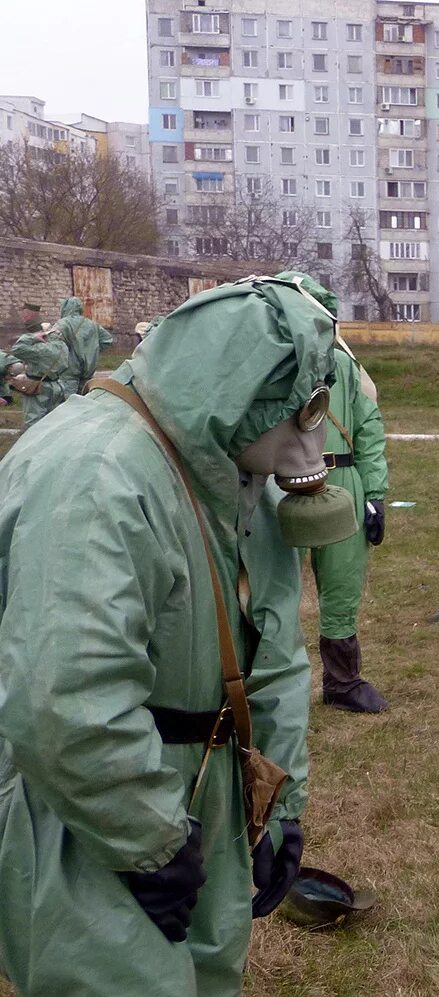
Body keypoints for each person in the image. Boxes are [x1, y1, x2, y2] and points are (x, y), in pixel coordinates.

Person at [0, 274, 347, 994]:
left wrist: (275, 811)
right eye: (303, 410)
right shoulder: (99, 477)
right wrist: (150, 842)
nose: (312, 435)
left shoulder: (220, 473)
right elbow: (64, 702)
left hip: (198, 793)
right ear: (239, 392)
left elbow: (271, 653)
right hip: (92, 815)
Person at [278, 273, 392, 713]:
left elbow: (368, 430)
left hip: (340, 481)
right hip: (279, 483)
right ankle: (267, 680)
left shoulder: (343, 368)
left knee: (341, 586)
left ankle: (341, 682)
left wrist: (375, 494)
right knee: (269, 588)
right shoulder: (269, 368)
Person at [5, 324, 72, 430]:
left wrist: (32, 337)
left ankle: (30, 443)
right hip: (57, 384)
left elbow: (18, 349)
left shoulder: (41, 349)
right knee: (52, 421)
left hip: (38, 387)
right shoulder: (63, 346)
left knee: (33, 422)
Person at [53, 295, 113, 394]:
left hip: (68, 372)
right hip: (88, 372)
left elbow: (52, 343)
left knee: (68, 405)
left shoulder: (63, 324)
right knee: (84, 404)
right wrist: (92, 350)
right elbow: (107, 340)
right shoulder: (92, 324)